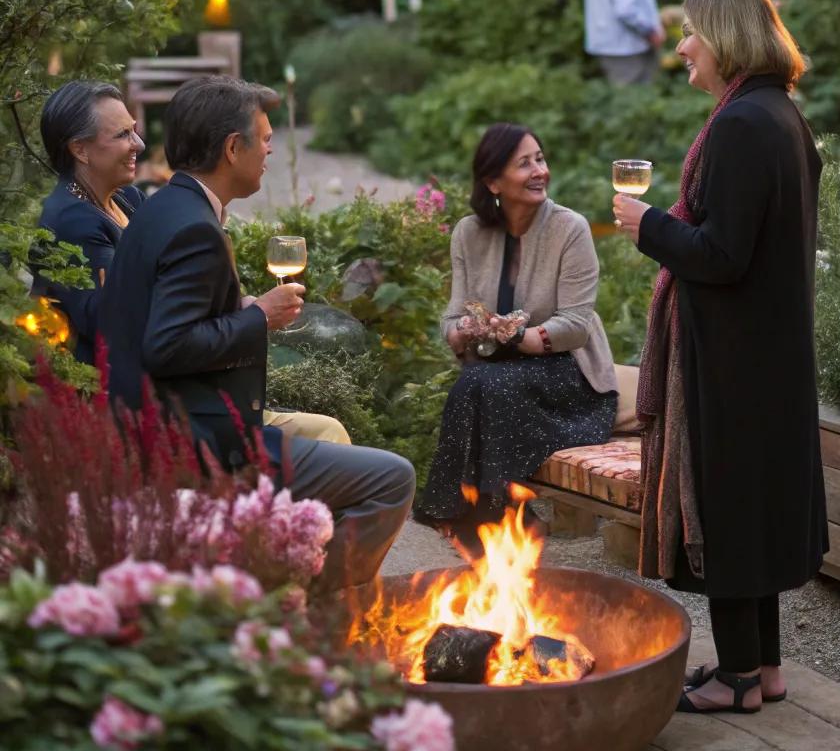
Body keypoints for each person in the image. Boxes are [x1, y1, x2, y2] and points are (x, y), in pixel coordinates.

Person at [99, 77, 415, 586]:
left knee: (333, 435)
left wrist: (238, 307)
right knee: (393, 478)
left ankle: (296, 586)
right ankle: (324, 615)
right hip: (197, 442)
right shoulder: (195, 229)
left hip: (166, 419)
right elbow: (167, 345)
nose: (270, 149)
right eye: (264, 138)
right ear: (231, 148)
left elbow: (165, 321)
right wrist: (256, 317)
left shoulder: (164, 206)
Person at [613, 0, 827, 715]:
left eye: (692, 35)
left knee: (729, 504)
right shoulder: (781, 117)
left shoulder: (741, 126)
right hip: (771, 348)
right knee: (755, 504)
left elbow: (723, 254)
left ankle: (737, 678)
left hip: (736, 354)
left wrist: (647, 227)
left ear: (728, 39)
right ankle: (762, 668)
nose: (682, 49)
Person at [417, 122, 618, 529]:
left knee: (486, 384)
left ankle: (478, 511)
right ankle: (492, 511)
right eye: (524, 164)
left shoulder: (570, 228)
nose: (539, 171)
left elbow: (577, 324)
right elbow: (453, 315)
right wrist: (462, 332)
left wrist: (519, 337)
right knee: (479, 383)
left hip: (568, 377)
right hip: (497, 375)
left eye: (540, 159)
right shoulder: (468, 233)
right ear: (493, 182)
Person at [34, 82, 146, 364]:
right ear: (80, 150)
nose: (139, 144)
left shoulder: (126, 197)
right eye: (123, 134)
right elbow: (110, 323)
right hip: (103, 391)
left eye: (133, 129)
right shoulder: (73, 221)